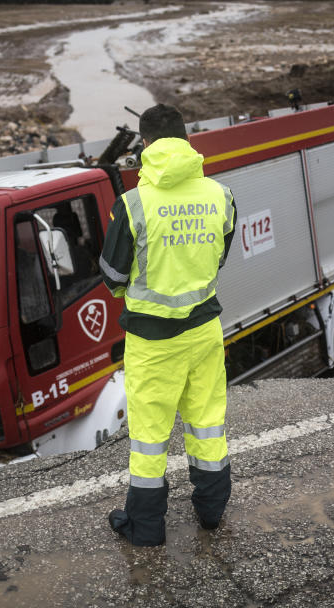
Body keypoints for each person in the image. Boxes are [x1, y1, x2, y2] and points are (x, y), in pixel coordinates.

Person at [99, 103, 237, 546]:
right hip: (204, 333)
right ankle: (212, 512)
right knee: (207, 425)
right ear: (186, 140)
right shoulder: (221, 195)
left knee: (150, 440)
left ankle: (145, 527)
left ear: (145, 145)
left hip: (151, 342)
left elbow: (113, 277)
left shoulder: (132, 204)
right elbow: (218, 257)